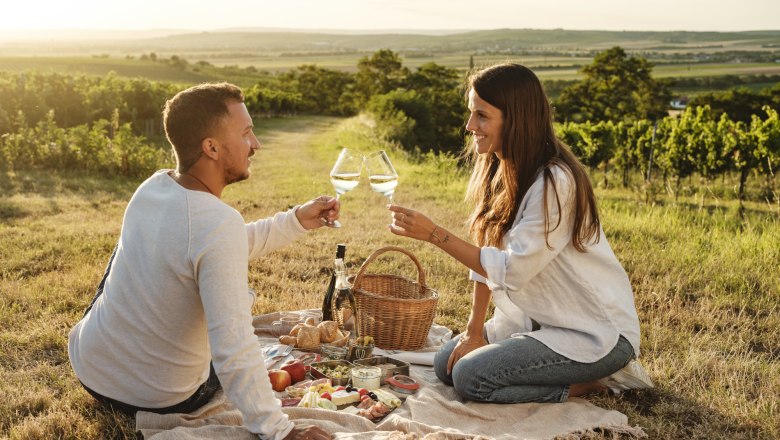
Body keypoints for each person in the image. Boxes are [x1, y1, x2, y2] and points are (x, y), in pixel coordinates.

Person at [68, 82, 333, 440]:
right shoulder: (216, 224)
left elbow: (212, 246)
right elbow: (234, 345)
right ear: (211, 147)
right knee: (244, 352)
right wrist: (280, 430)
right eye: (246, 133)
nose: (256, 144)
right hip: (156, 397)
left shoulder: (153, 187)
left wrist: (296, 219)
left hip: (92, 368)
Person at [387, 64, 653, 404]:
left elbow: (512, 270)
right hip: (536, 320)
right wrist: (472, 331)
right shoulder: (500, 167)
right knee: (446, 365)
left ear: (515, 119)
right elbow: (487, 252)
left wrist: (434, 235)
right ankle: (543, 370)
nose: (470, 127)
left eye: (482, 116)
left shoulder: (555, 182)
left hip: (593, 331)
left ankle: (588, 384)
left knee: (470, 378)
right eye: (471, 114)